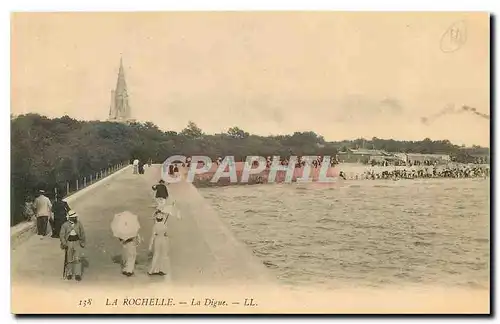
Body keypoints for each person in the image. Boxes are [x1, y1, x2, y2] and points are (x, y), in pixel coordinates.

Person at [60, 210, 86, 281]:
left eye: (75, 217)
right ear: (70, 218)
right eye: (73, 217)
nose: (75, 218)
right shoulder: (65, 225)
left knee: (77, 259)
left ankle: (78, 274)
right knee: (69, 259)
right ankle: (69, 273)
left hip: (77, 242)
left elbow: (82, 233)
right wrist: (64, 243)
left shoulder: (79, 224)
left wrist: (82, 242)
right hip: (69, 243)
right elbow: (62, 235)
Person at [148, 210, 169, 276]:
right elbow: (166, 233)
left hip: (157, 239)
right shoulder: (165, 225)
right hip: (163, 240)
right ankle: (161, 270)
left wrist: (150, 245)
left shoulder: (155, 226)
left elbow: (153, 236)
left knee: (157, 254)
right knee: (163, 254)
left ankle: (152, 270)